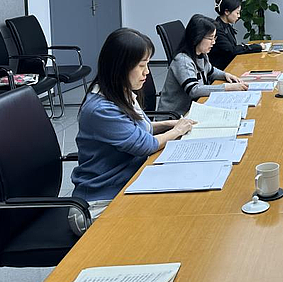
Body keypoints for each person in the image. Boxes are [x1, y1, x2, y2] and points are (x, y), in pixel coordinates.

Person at [72, 28, 196, 203]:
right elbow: (145, 145)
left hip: (129, 180)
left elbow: (136, 128)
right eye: (141, 66)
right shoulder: (101, 110)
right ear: (120, 66)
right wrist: (177, 131)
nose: (147, 72)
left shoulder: (120, 92)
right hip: (103, 197)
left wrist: (169, 124)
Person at [158, 14, 248, 115]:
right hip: (175, 116)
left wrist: (226, 75)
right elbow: (194, 90)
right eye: (210, 38)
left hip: (194, 108)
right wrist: (227, 87)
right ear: (197, 37)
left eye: (214, 38)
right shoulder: (183, 61)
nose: (213, 42)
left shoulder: (201, 54)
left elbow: (211, 71)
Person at [209, 0, 263, 70]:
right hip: (220, 70)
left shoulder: (226, 26)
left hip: (229, 66)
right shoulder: (217, 29)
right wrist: (257, 47)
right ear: (227, 12)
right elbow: (231, 50)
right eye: (237, 13)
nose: (239, 16)